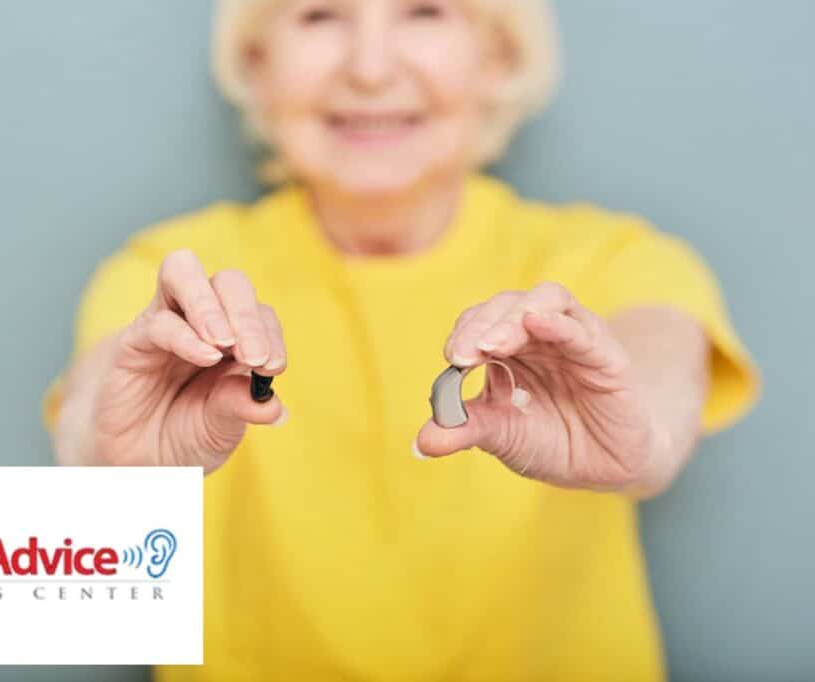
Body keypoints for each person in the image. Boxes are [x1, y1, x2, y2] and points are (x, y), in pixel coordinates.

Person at [41, 0, 761, 679]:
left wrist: (645, 439)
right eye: (320, 14)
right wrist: (112, 461)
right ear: (257, 63)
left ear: (498, 56)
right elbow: (93, 417)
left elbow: (660, 379)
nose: (371, 68)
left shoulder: (614, 262)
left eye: (424, 10)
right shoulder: (170, 273)